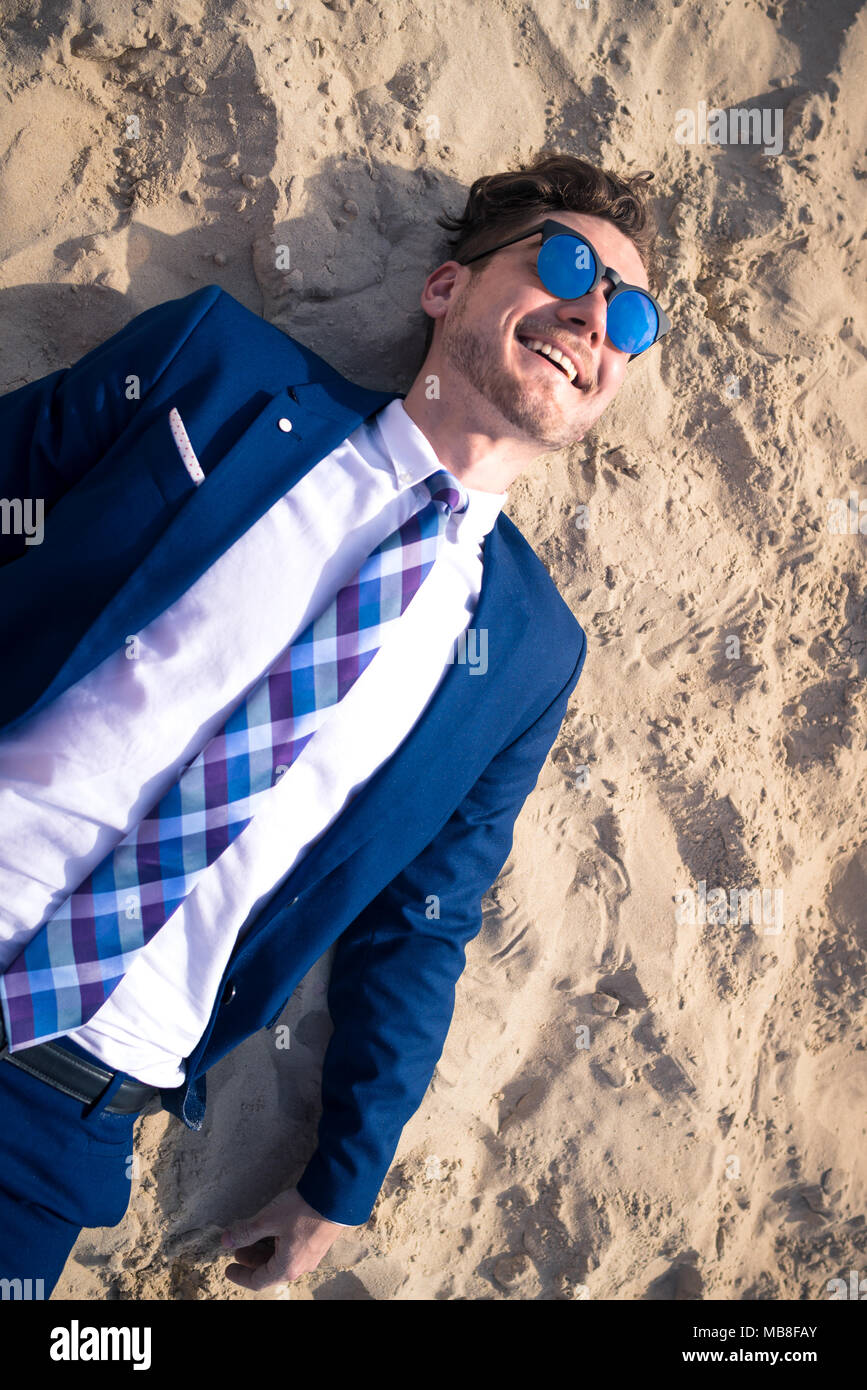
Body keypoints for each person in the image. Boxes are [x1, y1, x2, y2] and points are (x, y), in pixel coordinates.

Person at [0, 152, 668, 1297]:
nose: (591, 314)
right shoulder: (220, 367)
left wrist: (342, 1180)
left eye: (630, 312)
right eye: (563, 264)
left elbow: (424, 917)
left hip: (68, 1111)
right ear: (447, 288)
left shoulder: (528, 651)